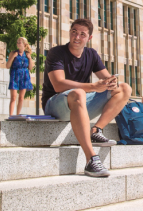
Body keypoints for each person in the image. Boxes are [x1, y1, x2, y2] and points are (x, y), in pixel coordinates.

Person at [43, 18, 133, 177]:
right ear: (70, 33)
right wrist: (92, 87)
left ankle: (96, 129)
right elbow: (58, 85)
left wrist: (111, 82)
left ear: (89, 38)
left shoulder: (91, 54)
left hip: (79, 104)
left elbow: (107, 78)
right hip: (55, 104)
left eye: (82, 34)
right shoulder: (56, 53)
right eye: (74, 32)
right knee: (79, 93)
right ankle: (91, 159)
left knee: (124, 88)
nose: (77, 37)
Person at [6, 37, 35, 117]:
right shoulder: (13, 53)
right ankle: (11, 115)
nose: (18, 44)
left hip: (24, 76)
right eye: (17, 42)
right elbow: (7, 66)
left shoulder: (27, 54)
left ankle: (18, 115)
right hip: (15, 75)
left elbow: (30, 68)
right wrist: (12, 57)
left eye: (20, 42)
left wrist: (30, 59)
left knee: (21, 98)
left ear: (24, 44)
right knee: (13, 97)